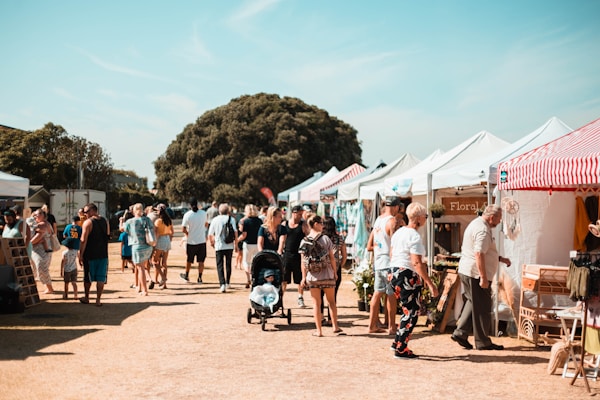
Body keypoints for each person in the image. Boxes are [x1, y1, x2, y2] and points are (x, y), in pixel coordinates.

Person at [451, 204, 511, 351]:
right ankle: (483, 341)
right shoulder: (483, 230)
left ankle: (461, 332)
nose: (499, 222)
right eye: (499, 218)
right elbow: (479, 253)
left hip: (468, 270)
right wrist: (483, 277)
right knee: (483, 307)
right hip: (475, 274)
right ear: (492, 217)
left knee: (473, 302)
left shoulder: (477, 223)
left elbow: (482, 250)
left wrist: (500, 258)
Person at [389, 202, 439, 359]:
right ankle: (401, 348)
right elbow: (417, 262)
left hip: (394, 271)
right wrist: (430, 284)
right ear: (418, 218)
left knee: (406, 310)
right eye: (425, 216)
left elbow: (392, 254)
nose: (425, 219)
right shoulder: (415, 236)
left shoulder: (399, 232)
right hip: (406, 273)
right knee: (411, 312)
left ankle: (397, 342)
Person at [299, 214, 342, 337]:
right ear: (316, 224)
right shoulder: (326, 239)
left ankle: (319, 330)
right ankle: (335, 326)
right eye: (321, 223)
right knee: (331, 302)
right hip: (327, 274)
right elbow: (332, 258)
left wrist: (303, 277)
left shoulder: (304, 241)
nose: (323, 226)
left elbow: (303, 261)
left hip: (313, 276)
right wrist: (334, 272)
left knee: (316, 304)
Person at [366, 196, 402, 334]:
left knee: (377, 293)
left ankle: (371, 325)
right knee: (391, 294)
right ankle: (392, 326)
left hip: (379, 261)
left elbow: (374, 241)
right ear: (395, 207)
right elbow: (394, 243)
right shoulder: (392, 221)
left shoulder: (378, 220)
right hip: (388, 262)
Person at [78, 203, 110, 306]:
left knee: (88, 277)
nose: (85, 214)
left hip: (90, 254)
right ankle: (98, 299)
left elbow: (83, 240)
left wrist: (80, 254)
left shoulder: (88, 223)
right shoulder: (105, 221)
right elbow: (107, 236)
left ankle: (87, 297)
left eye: (86, 212)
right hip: (103, 253)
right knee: (101, 278)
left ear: (92, 211)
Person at [123, 203, 156, 296]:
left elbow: (123, 229)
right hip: (148, 245)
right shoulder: (147, 219)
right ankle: (140, 287)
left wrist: (121, 221)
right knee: (143, 266)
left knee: (140, 268)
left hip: (137, 246)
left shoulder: (130, 221)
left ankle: (144, 290)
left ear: (133, 211)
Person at [281, 205, 309, 306]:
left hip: (299, 256)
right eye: (299, 214)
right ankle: (280, 299)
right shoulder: (285, 224)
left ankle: (300, 297)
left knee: (299, 279)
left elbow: (308, 237)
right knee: (284, 279)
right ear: (294, 213)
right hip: (287, 255)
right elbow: (282, 239)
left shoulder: (303, 224)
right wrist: (280, 250)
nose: (301, 216)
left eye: (302, 214)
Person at [208, 203, 237, 293]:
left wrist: (212, 242)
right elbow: (235, 232)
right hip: (229, 245)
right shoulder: (231, 219)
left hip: (219, 245)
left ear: (219, 211)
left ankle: (222, 284)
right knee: (228, 264)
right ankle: (228, 282)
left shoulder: (215, 220)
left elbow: (210, 234)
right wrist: (236, 244)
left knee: (220, 265)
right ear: (228, 211)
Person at [180, 198, 208, 283]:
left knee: (189, 260)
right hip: (201, 240)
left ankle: (187, 275)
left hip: (191, 241)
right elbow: (206, 224)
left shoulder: (187, 215)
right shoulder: (203, 213)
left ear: (189, 205)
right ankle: (199, 277)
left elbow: (183, 229)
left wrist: (188, 234)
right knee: (201, 261)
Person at [29, 209, 55, 294]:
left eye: (38, 214)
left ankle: (49, 288)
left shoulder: (42, 225)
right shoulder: (39, 224)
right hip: (37, 250)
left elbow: (37, 238)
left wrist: (28, 243)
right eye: (35, 215)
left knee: (41, 268)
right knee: (35, 269)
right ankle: (36, 287)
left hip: (42, 251)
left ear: (43, 216)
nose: (36, 216)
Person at [238, 204, 262, 288]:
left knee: (246, 262)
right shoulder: (259, 221)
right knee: (255, 262)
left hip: (248, 244)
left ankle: (248, 278)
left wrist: (237, 239)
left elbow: (244, 235)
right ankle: (254, 278)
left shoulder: (246, 221)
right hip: (257, 244)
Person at [152, 204, 173, 289]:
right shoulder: (169, 220)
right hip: (167, 239)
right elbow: (172, 232)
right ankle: (164, 284)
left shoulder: (158, 221)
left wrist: (154, 244)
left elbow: (156, 234)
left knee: (154, 261)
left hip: (160, 239)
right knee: (164, 262)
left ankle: (163, 277)